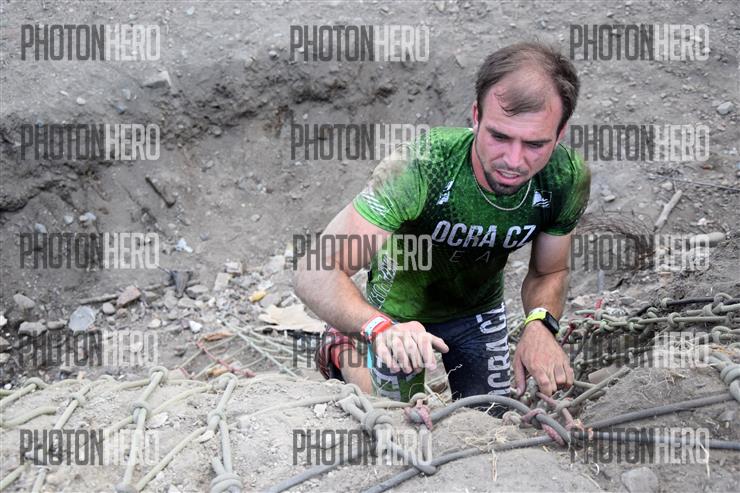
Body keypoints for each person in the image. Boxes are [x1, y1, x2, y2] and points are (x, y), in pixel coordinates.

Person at [294, 42, 591, 409]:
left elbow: (550, 271)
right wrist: (378, 327)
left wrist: (541, 324)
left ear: (560, 135)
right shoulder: (423, 166)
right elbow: (314, 270)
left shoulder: (565, 177)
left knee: (494, 418)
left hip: (477, 311)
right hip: (396, 312)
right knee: (394, 418)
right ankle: (342, 349)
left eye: (534, 144)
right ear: (476, 116)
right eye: (499, 136)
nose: (513, 160)